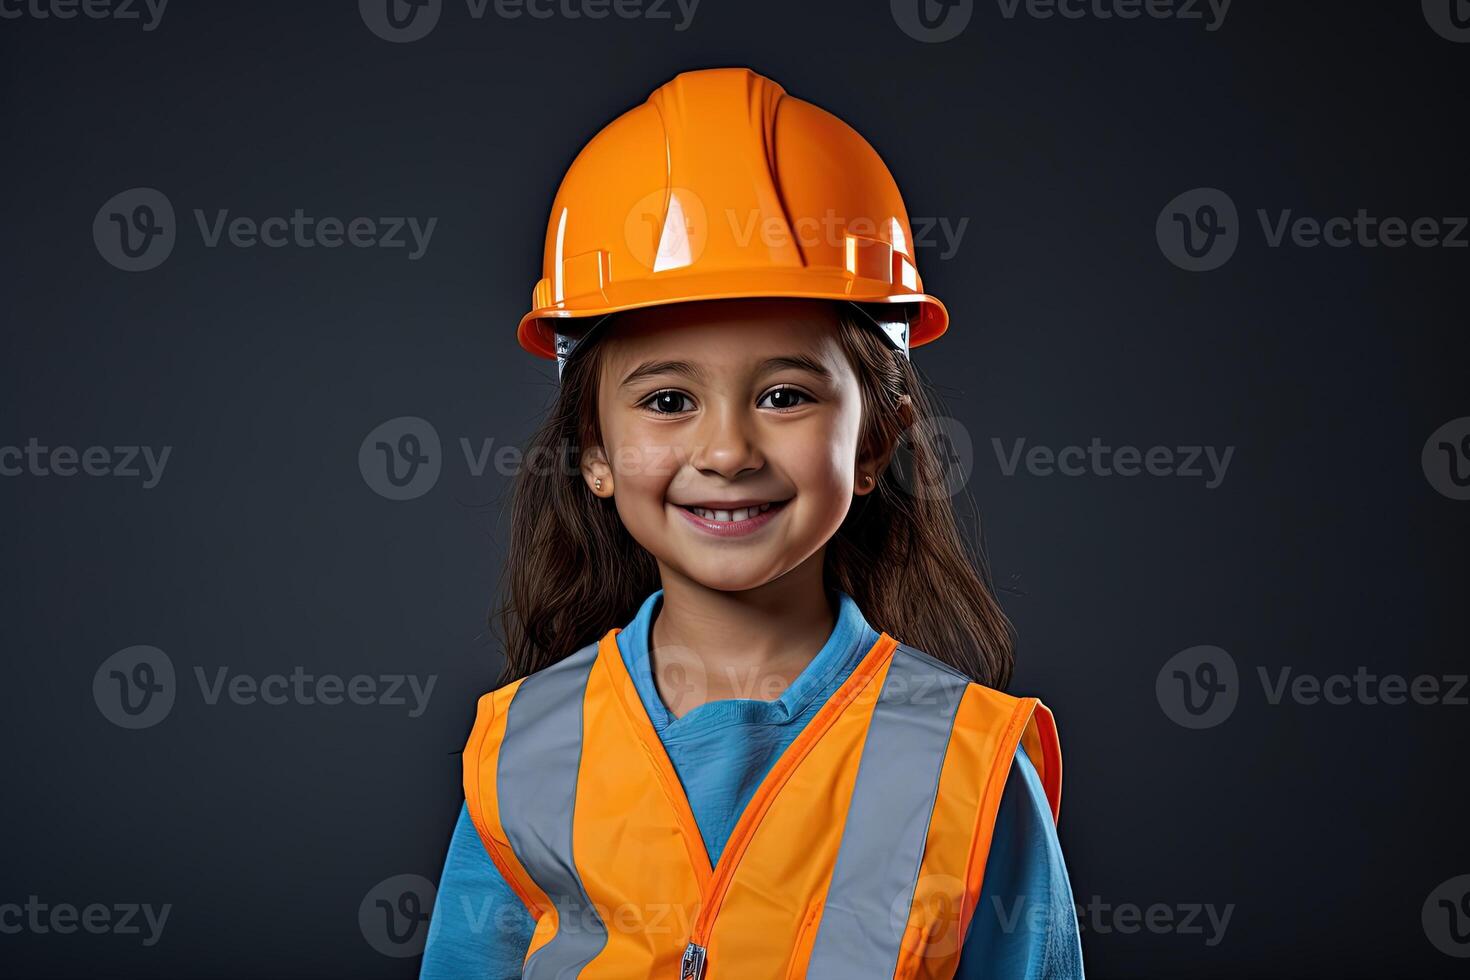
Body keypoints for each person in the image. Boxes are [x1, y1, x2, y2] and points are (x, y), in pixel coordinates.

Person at [421, 66, 1084, 979]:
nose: (726, 449)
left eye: (783, 394)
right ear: (594, 452)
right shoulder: (524, 750)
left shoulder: (966, 766)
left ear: (874, 441)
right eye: (666, 399)